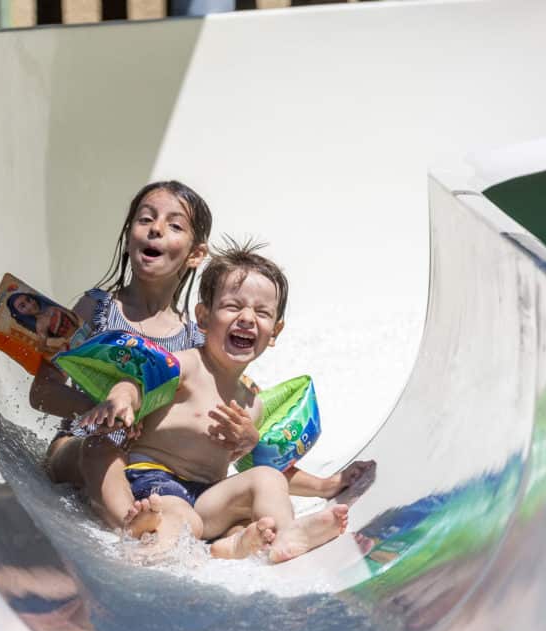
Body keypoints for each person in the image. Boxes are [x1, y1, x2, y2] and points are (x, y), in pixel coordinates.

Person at [32, 181, 373, 537]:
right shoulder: (95, 310)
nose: (156, 228)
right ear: (130, 233)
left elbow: (232, 426)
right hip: (83, 444)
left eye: (174, 225)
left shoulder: (197, 339)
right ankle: (131, 526)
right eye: (145, 219)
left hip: (162, 476)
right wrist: (108, 408)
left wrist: (304, 474)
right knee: (104, 445)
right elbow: (41, 393)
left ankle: (243, 538)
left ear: (196, 254)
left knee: (236, 518)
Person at [76, 240, 349, 563]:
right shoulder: (187, 365)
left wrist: (251, 441)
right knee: (179, 515)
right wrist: (122, 397)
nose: (247, 318)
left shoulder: (253, 403)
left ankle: (284, 534)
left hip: (208, 495)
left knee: (268, 479)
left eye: (262, 313)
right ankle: (156, 552)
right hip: (156, 480)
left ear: (274, 331)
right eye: (233, 307)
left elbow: (254, 461)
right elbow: (138, 381)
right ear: (203, 318)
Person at [6, 291, 79, 352]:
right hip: (75, 343)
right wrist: (59, 349)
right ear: (20, 314)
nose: (30, 305)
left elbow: (68, 313)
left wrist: (78, 325)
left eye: (28, 299)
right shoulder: (41, 325)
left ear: (33, 298)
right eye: (22, 306)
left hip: (82, 329)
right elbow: (42, 347)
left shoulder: (51, 309)